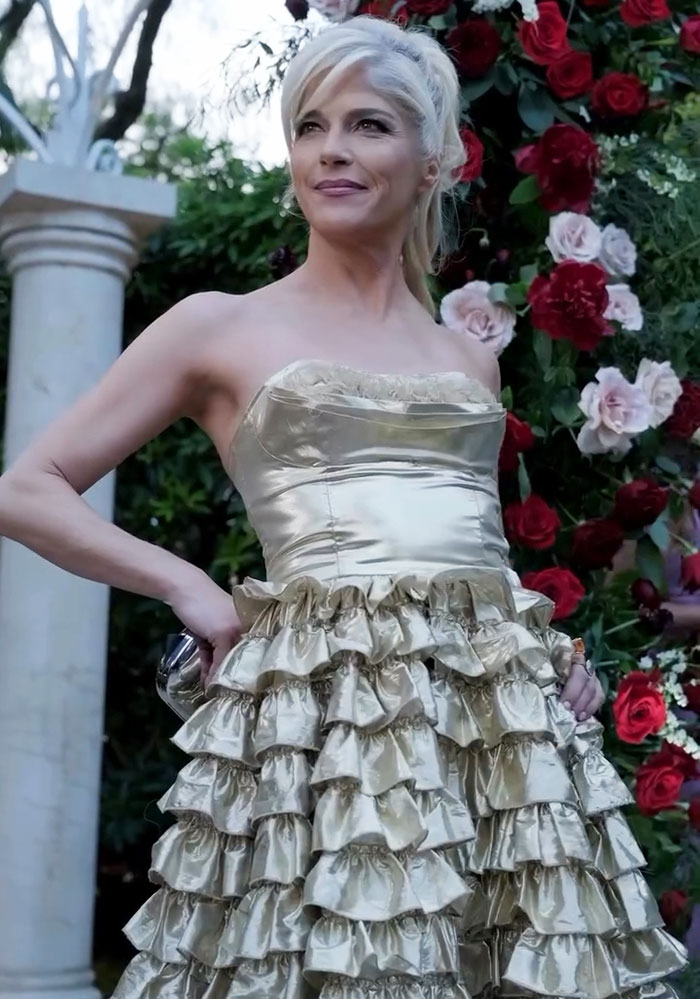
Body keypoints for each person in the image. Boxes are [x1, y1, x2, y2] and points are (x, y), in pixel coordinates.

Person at [0, 15, 687, 999]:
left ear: (433, 158)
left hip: (493, 746)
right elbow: (27, 490)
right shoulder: (220, 327)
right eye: (310, 125)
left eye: (367, 125)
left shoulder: (468, 356)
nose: (331, 150)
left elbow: (474, 560)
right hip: (318, 739)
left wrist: (551, 664)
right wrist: (189, 586)